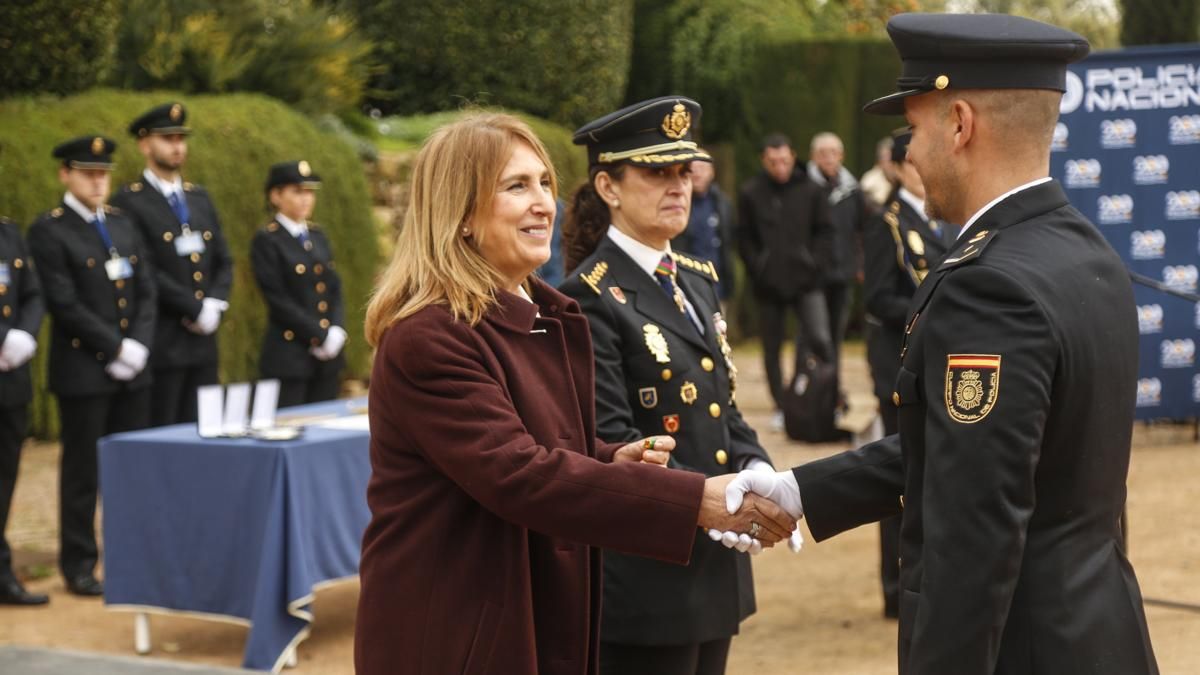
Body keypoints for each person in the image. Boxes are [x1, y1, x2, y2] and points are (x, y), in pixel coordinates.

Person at [724, 13, 1159, 675]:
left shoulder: (988, 285)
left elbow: (975, 536)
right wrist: (799, 488)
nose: (913, 157)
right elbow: (976, 451)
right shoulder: (1083, 250)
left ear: (960, 123)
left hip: (1022, 647)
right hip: (1098, 631)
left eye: (915, 131)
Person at [354, 112, 795, 675]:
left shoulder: (544, 318)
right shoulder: (429, 337)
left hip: (534, 613)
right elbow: (519, 474)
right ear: (460, 214)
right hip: (459, 630)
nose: (543, 203)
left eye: (545, 184)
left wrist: (613, 457)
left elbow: (554, 448)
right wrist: (694, 502)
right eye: (517, 186)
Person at [560, 96, 775, 675]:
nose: (678, 185)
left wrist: (757, 469)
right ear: (608, 186)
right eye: (657, 172)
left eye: (684, 171)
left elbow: (722, 408)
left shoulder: (698, 281)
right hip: (648, 573)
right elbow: (612, 440)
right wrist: (718, 504)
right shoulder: (591, 296)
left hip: (714, 563)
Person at [28, 136, 157, 597]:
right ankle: (80, 562)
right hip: (85, 371)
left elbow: (146, 288)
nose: (98, 180)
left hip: (134, 369)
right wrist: (115, 349)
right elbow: (63, 302)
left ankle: (129, 553)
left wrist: (139, 345)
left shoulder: (122, 224)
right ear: (65, 174)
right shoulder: (50, 230)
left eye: (103, 172)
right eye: (88, 172)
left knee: (130, 468)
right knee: (83, 472)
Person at [861, 129, 950, 619]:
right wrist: (934, 311)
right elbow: (877, 298)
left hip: (932, 360)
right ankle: (897, 588)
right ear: (897, 167)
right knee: (899, 473)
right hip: (898, 363)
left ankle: (923, 578)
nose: (922, 171)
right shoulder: (886, 223)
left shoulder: (940, 218)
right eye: (913, 164)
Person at [110, 102, 234, 426]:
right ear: (144, 143)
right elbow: (145, 269)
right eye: (167, 138)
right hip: (165, 342)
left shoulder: (199, 198)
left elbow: (223, 258)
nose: (177, 146)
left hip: (204, 343)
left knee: (204, 433)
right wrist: (193, 309)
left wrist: (215, 303)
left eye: (181, 138)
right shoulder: (130, 201)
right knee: (166, 432)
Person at [735, 134, 834, 430]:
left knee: (819, 340)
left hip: (807, 281)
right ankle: (781, 404)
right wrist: (757, 268)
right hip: (769, 284)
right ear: (764, 160)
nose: (780, 167)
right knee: (771, 347)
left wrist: (815, 263)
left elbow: (825, 232)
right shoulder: (751, 192)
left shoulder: (812, 190)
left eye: (785, 160)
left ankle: (814, 396)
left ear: (793, 157)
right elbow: (743, 236)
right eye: (773, 161)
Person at [250, 161, 346, 408]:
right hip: (289, 356)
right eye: (297, 191)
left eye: (309, 192)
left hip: (326, 358)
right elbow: (278, 299)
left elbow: (333, 287)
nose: (306, 199)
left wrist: (336, 329)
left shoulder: (317, 236)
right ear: (275, 195)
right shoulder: (268, 239)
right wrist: (319, 336)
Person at [0, 216, 45, 606]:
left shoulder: (9, 232)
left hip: (9, 379)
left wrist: (25, 333)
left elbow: (31, 292)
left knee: (4, 478)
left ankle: (1, 572)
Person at [808, 131, 870, 403]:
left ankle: (832, 389)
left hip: (842, 272)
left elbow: (861, 230)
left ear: (841, 156)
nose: (829, 158)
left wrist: (860, 264)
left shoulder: (852, 191)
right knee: (815, 335)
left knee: (835, 335)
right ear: (814, 157)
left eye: (833, 153)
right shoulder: (806, 188)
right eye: (823, 153)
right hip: (812, 276)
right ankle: (811, 388)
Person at [675, 159, 735, 302]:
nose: (697, 173)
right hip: (685, 287)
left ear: (712, 172)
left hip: (717, 287)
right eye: (692, 168)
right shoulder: (676, 203)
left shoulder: (723, 204)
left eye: (702, 167)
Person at [859, 136, 897, 208]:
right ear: (880, 161)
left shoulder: (903, 178)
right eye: (886, 156)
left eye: (893, 156)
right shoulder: (869, 181)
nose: (891, 161)